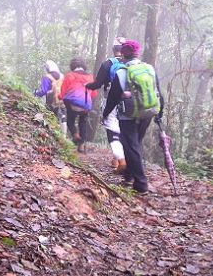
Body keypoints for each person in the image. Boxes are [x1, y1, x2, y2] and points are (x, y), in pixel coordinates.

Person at [102, 39, 165, 195]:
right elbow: (158, 92)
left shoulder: (121, 73)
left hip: (128, 116)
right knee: (135, 144)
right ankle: (129, 175)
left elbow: (113, 98)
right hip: (148, 113)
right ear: (137, 54)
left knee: (131, 146)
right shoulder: (149, 69)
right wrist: (159, 113)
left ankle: (141, 183)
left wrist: (105, 114)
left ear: (123, 54)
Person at [86, 38, 127, 173]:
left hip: (112, 100)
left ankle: (121, 161)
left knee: (112, 131)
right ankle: (115, 160)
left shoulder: (107, 64)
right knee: (123, 130)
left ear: (113, 49)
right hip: (130, 103)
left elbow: (97, 84)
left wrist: (86, 86)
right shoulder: (131, 63)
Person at [58, 57, 97, 153]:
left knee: (70, 120)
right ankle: (81, 145)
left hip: (72, 104)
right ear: (83, 66)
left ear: (72, 66)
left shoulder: (70, 75)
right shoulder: (90, 77)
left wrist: (60, 97)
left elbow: (63, 92)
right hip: (85, 105)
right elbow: (94, 93)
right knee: (82, 123)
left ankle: (75, 134)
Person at [34, 60, 65, 125]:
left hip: (51, 102)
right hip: (62, 102)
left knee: (50, 117)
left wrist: (36, 93)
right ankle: (62, 133)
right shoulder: (62, 76)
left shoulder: (47, 77)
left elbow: (43, 91)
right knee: (62, 119)